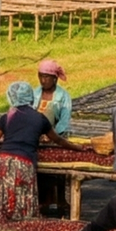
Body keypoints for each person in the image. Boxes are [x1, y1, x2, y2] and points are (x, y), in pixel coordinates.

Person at [0, 81, 75, 221]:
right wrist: (78, 148)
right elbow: (58, 140)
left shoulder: (7, 117)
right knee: (22, 205)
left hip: (2, 162)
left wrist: (1, 150)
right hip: (24, 163)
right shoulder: (40, 118)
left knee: (0, 203)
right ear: (30, 97)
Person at [33, 59, 73, 217]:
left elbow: (64, 120)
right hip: (36, 138)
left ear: (55, 79)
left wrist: (52, 135)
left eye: (47, 77)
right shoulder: (35, 94)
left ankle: (61, 203)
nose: (44, 80)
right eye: (41, 76)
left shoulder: (63, 96)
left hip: (56, 137)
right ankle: (41, 205)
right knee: (40, 173)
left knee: (58, 173)